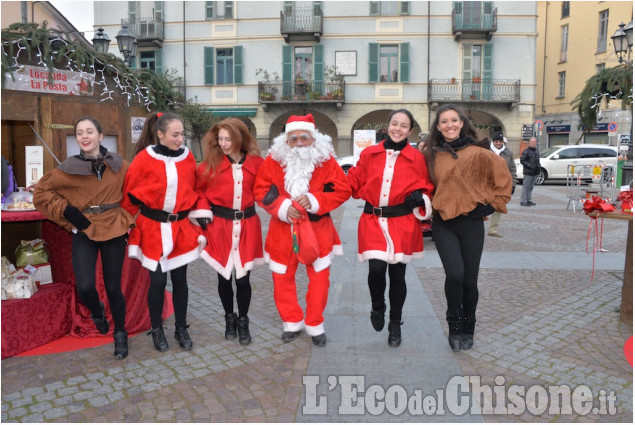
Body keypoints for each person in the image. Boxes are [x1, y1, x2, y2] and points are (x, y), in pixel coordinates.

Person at [33, 116, 133, 359]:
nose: (85, 136)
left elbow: (134, 192)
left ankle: (120, 334)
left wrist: (130, 220)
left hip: (113, 228)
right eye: (80, 133)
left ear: (100, 136)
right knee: (86, 285)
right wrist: (67, 212)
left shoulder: (120, 165)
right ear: (77, 138)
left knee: (112, 287)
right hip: (84, 229)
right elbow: (41, 192)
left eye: (89, 131)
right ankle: (97, 312)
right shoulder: (67, 169)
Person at [253, 114, 351, 347]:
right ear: (285, 141)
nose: (299, 143)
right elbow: (261, 190)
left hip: (318, 229)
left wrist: (315, 200)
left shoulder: (326, 162)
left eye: (304, 138)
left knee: (320, 279)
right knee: (282, 277)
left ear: (313, 139)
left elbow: (342, 190)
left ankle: (315, 323)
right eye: (293, 138)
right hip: (282, 230)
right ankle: (292, 321)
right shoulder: (273, 161)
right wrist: (282, 207)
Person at [422, 104, 512, 352]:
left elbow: (504, 179)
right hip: (444, 223)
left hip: (471, 223)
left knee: (470, 281)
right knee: (455, 275)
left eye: (453, 120)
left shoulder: (479, 152)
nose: (449, 125)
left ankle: (468, 327)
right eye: (444, 122)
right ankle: (455, 327)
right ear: (438, 127)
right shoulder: (431, 154)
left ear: (461, 122)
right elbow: (418, 181)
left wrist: (491, 206)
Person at [347, 109, 434, 347]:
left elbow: (428, 186)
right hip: (373, 221)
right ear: (387, 126)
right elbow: (353, 180)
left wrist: (422, 198)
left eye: (404, 125)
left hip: (403, 224)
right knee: (376, 270)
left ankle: (395, 323)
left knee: (397, 275)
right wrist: (330, 185)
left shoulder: (418, 159)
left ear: (410, 130)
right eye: (395, 124)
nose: (398, 129)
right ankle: (378, 306)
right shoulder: (369, 154)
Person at [122, 112, 205, 353]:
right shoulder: (143, 159)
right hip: (153, 228)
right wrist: (125, 224)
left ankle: (181, 327)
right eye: (175, 134)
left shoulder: (188, 157)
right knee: (157, 282)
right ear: (160, 134)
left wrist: (199, 213)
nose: (181, 139)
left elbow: (194, 188)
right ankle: (157, 328)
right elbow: (130, 194)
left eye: (182, 134)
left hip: (180, 229)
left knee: (181, 281)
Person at [190, 118, 264, 346]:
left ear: (239, 138)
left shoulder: (257, 164)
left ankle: (243, 321)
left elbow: (269, 187)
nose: (223, 143)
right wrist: (202, 210)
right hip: (219, 227)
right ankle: (228, 319)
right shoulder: (209, 166)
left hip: (247, 226)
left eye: (228, 139)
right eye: (220, 139)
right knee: (223, 277)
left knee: (243, 279)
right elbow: (198, 191)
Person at [487, 133, 517, 237]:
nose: (498, 143)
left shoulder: (508, 152)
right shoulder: (486, 151)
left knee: (498, 205)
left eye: (500, 141)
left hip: (502, 184)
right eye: (496, 141)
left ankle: (493, 229)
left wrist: (513, 184)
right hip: (487, 183)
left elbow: (512, 169)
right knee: (482, 204)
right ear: (493, 141)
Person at [520, 137, 540, 207]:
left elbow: (538, 161)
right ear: (529, 143)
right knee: (526, 187)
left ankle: (528, 200)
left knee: (531, 187)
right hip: (528, 172)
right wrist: (530, 166)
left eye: (534, 142)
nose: (533, 143)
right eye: (532, 142)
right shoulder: (526, 151)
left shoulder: (537, 151)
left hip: (535, 172)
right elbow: (522, 160)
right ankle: (523, 201)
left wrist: (538, 167)